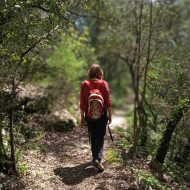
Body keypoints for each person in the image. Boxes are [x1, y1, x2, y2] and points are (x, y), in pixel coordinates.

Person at [80, 64, 112, 172]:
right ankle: (97, 159)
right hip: (102, 115)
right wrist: (110, 115)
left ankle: (95, 157)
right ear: (100, 73)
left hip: (89, 115)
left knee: (93, 135)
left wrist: (82, 118)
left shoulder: (84, 84)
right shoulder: (104, 84)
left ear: (90, 73)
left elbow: (83, 103)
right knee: (100, 137)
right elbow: (107, 102)